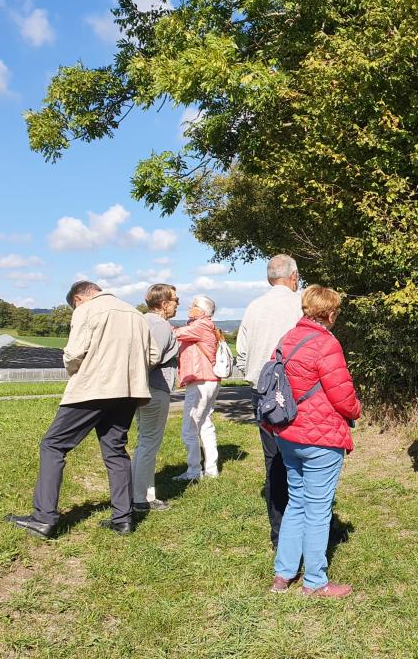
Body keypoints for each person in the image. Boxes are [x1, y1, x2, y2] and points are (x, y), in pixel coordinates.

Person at [5, 281, 158, 538]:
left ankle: (43, 518)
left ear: (78, 298)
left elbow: (73, 353)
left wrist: (80, 372)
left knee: (53, 445)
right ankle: (123, 518)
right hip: (129, 391)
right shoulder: (136, 314)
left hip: (93, 388)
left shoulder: (87, 310)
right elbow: (153, 355)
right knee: (115, 450)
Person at [268, 285, 361, 598]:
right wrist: (357, 410)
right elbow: (342, 394)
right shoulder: (326, 343)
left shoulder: (287, 339)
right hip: (320, 437)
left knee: (297, 502)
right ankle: (316, 581)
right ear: (331, 313)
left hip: (288, 433)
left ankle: (283, 574)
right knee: (319, 510)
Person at [236, 254, 302, 548]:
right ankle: (304, 529)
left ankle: (279, 534)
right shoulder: (302, 303)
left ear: (267, 278)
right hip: (297, 389)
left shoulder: (253, 307)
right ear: (294, 276)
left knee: (273, 459)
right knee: (303, 458)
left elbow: (242, 353)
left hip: (262, 391)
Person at [131, 283, 180, 513]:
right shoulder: (159, 325)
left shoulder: (139, 320)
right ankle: (141, 498)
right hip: (154, 388)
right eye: (175, 300)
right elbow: (151, 358)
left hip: (140, 390)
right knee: (149, 444)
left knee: (143, 442)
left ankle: (138, 492)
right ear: (163, 304)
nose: (177, 304)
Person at [172, 295, 223, 481]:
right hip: (210, 379)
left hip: (200, 380)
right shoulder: (207, 325)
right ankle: (211, 469)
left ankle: (193, 470)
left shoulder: (200, 326)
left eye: (193, 305)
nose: (189, 307)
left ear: (201, 311)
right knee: (205, 424)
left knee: (190, 426)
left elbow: (175, 334)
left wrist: (161, 324)